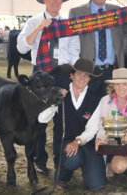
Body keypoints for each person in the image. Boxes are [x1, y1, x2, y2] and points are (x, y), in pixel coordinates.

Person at [17, 0, 80, 175]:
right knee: (39, 121)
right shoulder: (33, 21)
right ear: (44, 0)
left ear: (62, 2)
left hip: (62, 74)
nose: (55, 1)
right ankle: (40, 160)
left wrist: (73, 73)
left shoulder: (68, 24)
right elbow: (21, 48)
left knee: (62, 119)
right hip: (40, 75)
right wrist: (37, 29)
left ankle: (60, 159)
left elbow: (74, 50)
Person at [41, 59, 105, 192]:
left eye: (86, 75)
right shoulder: (61, 95)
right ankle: (62, 176)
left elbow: (92, 128)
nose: (82, 78)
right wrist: (54, 102)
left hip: (88, 144)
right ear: (71, 76)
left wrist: (78, 141)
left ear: (90, 79)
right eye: (79, 74)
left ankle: (86, 164)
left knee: (96, 185)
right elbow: (42, 119)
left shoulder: (96, 99)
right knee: (72, 157)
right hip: (66, 143)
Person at [68, 0, 127, 98]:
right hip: (88, 72)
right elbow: (70, 41)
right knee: (89, 107)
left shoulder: (117, 11)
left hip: (112, 70)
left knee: (110, 107)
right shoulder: (77, 12)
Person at [95, 68, 127, 191]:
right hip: (111, 144)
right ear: (113, 85)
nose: (121, 88)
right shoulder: (105, 100)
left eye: (125, 84)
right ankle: (109, 165)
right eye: (117, 84)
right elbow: (102, 127)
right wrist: (99, 139)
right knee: (119, 167)